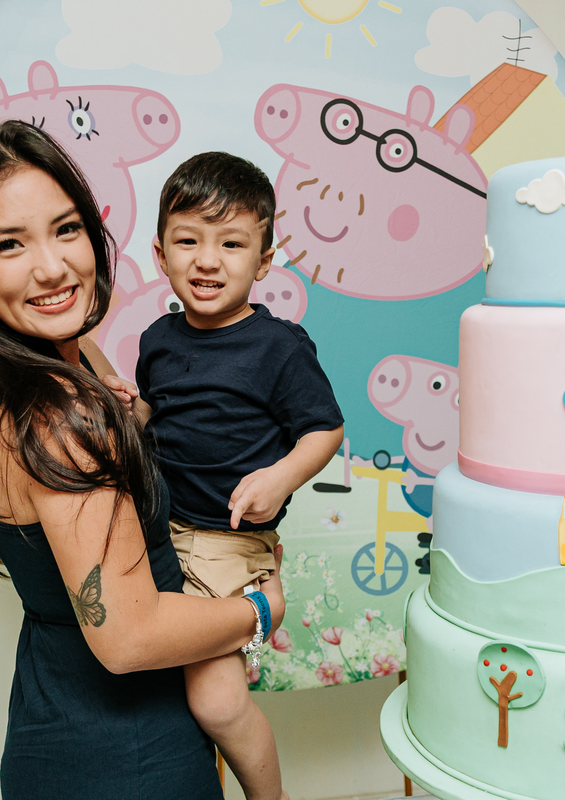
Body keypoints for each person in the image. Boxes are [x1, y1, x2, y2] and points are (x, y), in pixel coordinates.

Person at [0, 122, 286, 799]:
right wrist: (260, 608)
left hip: (49, 725)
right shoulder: (59, 418)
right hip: (128, 759)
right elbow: (129, 637)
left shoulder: (21, 369)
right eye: (7, 245)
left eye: (66, 229)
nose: (53, 268)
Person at [107, 152, 344, 800]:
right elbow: (166, 418)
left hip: (227, 540)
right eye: (189, 242)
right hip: (159, 531)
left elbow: (325, 430)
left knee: (214, 702)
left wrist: (280, 478)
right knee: (152, 686)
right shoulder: (158, 339)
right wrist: (135, 410)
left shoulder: (279, 347)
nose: (207, 261)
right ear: (161, 255)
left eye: (231, 244)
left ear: (264, 261)